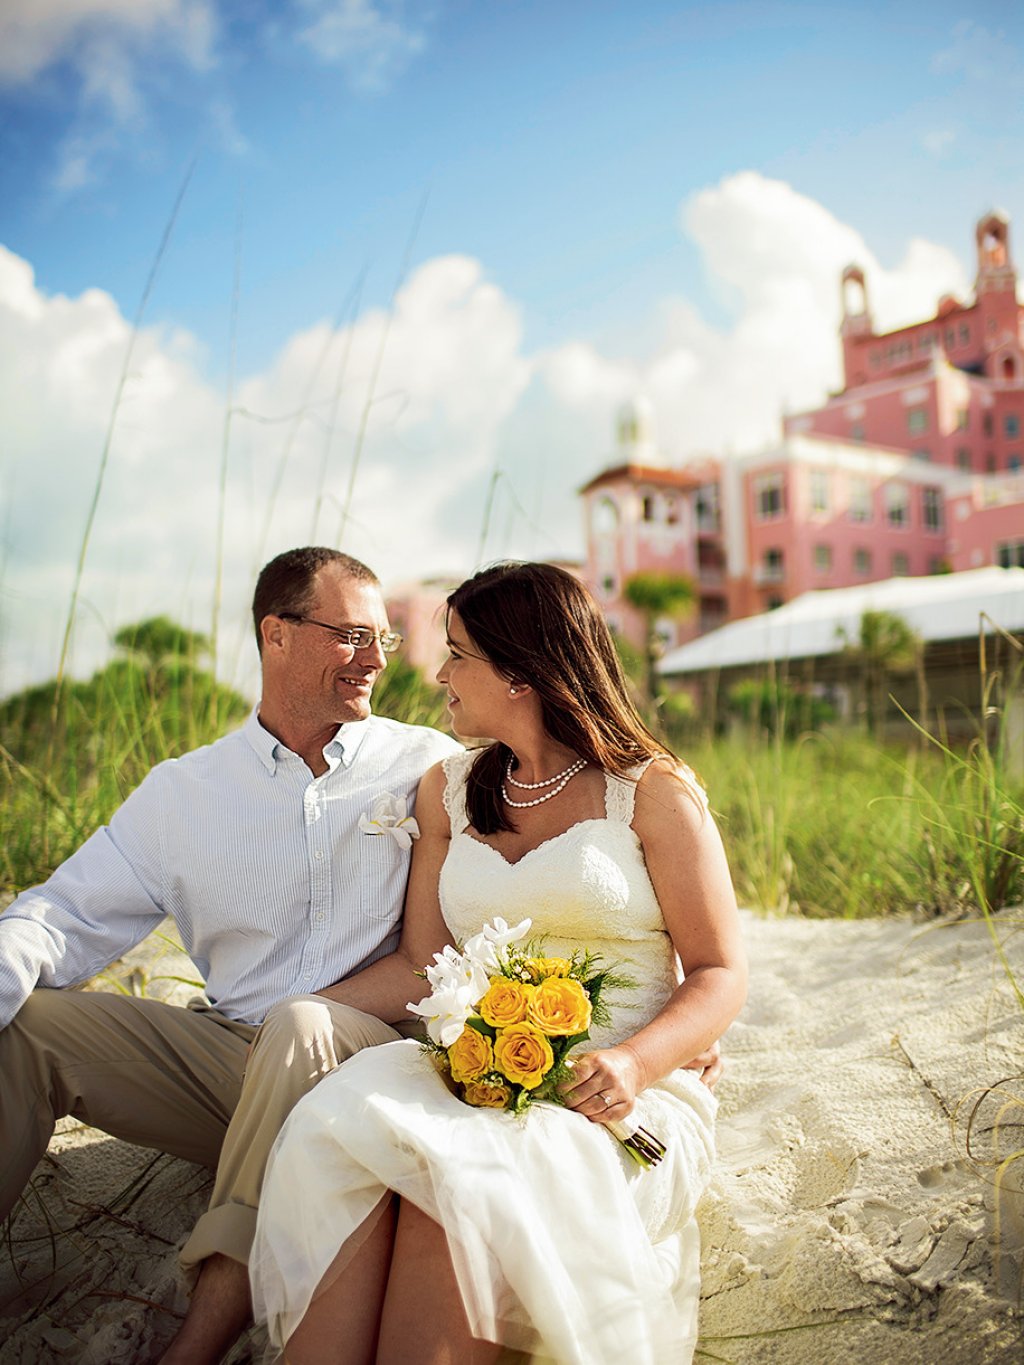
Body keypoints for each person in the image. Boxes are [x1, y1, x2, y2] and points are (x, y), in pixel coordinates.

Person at [249, 561, 748, 1365]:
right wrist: (290, 1010)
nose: (437, 673)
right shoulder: (447, 790)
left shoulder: (653, 791)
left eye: (456, 654)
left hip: (614, 1095)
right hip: (475, 1078)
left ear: (519, 674)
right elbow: (423, 964)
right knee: (368, 1161)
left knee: (453, 1192)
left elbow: (720, 970)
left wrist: (634, 1060)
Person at [0, 546, 461, 1365]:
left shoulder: (428, 761)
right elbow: (64, 912)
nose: (377, 661)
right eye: (352, 635)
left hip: (378, 1063)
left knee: (301, 1023)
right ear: (275, 634)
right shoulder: (184, 792)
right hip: (233, 1066)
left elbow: (525, 883)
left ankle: (197, 1340)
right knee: (30, 1025)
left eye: (384, 640)